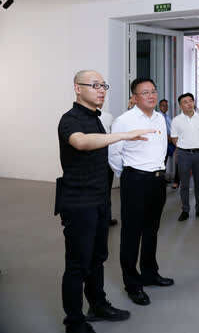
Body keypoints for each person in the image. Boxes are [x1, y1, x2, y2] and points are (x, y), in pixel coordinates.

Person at [58, 70, 152, 333]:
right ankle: (74, 322)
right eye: (95, 85)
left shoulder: (97, 119)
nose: (101, 90)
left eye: (104, 85)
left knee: (98, 257)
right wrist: (123, 135)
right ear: (78, 88)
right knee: (77, 264)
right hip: (79, 203)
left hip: (100, 200)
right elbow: (81, 142)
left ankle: (97, 305)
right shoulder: (70, 119)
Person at [109, 77, 174, 306]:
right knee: (131, 233)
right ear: (134, 97)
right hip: (135, 180)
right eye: (145, 92)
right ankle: (132, 284)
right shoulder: (124, 121)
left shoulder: (160, 118)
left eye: (153, 91)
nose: (151, 95)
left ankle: (149, 273)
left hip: (157, 180)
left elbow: (163, 148)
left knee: (151, 230)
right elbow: (114, 154)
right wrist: (129, 175)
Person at [171, 93, 199, 221]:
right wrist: (184, 147)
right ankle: (185, 210)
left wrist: (196, 145)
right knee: (184, 184)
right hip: (184, 155)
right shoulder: (176, 120)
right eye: (185, 102)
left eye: (190, 101)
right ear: (180, 105)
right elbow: (174, 138)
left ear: (193, 102)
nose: (188, 104)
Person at [98, 107, 118, 227]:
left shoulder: (108, 116)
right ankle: (106, 218)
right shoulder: (108, 116)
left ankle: (101, 218)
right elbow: (113, 138)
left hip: (97, 157)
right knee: (106, 190)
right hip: (105, 156)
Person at [158, 99, 179, 188]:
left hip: (171, 142)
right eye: (163, 105)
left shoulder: (168, 117)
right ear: (159, 106)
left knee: (173, 160)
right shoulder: (157, 117)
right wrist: (167, 137)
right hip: (162, 143)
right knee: (162, 162)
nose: (165, 107)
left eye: (166, 106)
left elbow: (171, 129)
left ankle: (171, 180)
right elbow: (158, 131)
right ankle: (160, 180)